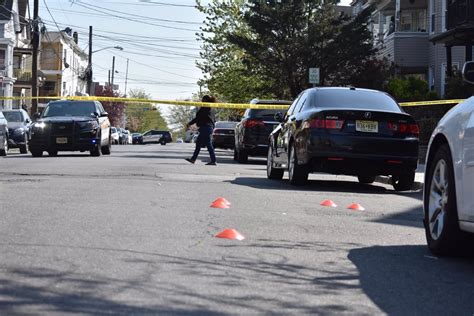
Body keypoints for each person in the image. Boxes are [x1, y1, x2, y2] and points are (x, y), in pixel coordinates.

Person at [185, 95, 217, 165]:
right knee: (199, 143)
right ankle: (193, 159)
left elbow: (197, 118)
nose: (201, 101)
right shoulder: (211, 108)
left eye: (203, 100)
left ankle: (213, 160)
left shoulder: (205, 108)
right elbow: (214, 120)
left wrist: (189, 124)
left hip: (206, 128)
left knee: (208, 144)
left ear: (205, 100)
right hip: (208, 128)